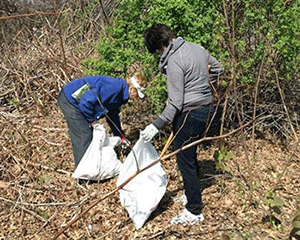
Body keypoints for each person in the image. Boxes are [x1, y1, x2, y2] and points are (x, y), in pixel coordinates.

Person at [141, 23, 224, 225]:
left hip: (189, 114)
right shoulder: (197, 48)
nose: (157, 55)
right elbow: (219, 69)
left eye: (156, 51)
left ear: (160, 46)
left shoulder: (174, 61)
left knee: (184, 161)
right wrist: (204, 82)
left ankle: (194, 211)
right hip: (208, 109)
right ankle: (191, 192)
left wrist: (156, 125)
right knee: (190, 154)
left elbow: (175, 103)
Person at [58, 73, 145, 168]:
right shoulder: (114, 88)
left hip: (80, 103)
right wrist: (91, 121)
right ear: (132, 89)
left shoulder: (120, 94)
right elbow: (86, 102)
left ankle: (92, 168)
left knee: (90, 134)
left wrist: (120, 135)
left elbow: (112, 114)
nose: (136, 98)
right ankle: (82, 174)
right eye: (137, 94)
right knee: (84, 135)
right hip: (70, 100)